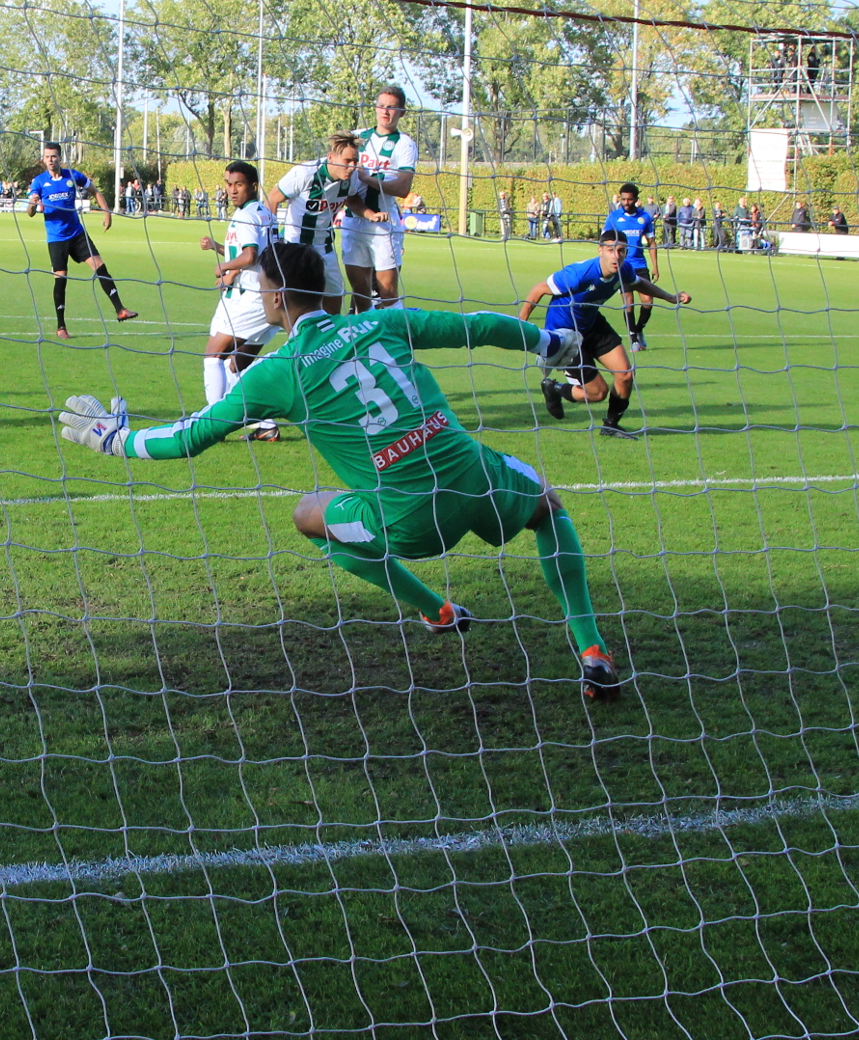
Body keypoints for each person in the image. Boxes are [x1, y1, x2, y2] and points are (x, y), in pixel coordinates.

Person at [55, 240, 620, 699]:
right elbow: (480, 326)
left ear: (276, 298)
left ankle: (438, 610)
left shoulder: (277, 372)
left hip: (409, 522)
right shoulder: (382, 323)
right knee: (548, 509)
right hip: (474, 480)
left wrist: (116, 440)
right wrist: (551, 342)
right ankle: (592, 648)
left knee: (309, 514)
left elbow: (191, 436)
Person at [519, 231, 692, 440]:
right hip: (566, 334)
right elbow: (539, 289)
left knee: (625, 374)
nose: (616, 256)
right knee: (597, 393)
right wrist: (522, 325)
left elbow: (639, 283)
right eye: (610, 250)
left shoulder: (624, 269)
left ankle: (611, 426)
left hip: (592, 324)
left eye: (621, 251)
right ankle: (555, 389)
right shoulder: (579, 274)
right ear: (600, 250)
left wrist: (670, 297)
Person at [195, 161, 285, 440]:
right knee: (234, 365)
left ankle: (213, 424)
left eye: (239, 184)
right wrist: (227, 262)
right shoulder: (264, 213)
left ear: (253, 186)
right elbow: (256, 253)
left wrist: (223, 268)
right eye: (228, 184)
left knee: (213, 355)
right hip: (264, 297)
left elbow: (250, 256)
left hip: (251, 298)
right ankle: (265, 425)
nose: (232, 190)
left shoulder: (246, 215)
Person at [25, 142, 136, 339]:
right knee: (61, 279)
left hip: (77, 234)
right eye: (47, 157)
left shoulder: (73, 176)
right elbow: (30, 213)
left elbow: (95, 192)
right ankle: (61, 327)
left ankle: (120, 309)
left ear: (60, 158)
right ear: (43, 159)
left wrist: (107, 213)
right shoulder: (39, 182)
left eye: (54, 156)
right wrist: (32, 205)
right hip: (56, 238)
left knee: (100, 267)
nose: (50, 160)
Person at [275, 132, 385, 306]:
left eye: (355, 161)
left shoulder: (351, 178)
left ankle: (329, 325)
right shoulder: (305, 173)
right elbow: (272, 199)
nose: (352, 166)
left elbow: (352, 199)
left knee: (335, 296)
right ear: (331, 157)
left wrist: (370, 214)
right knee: (297, 301)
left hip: (325, 246)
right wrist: (273, 238)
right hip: (296, 246)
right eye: (347, 161)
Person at [344, 86, 419, 311]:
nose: (385, 112)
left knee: (387, 292)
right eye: (382, 106)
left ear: (402, 112)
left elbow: (403, 188)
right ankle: (363, 330)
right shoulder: (356, 137)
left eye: (391, 107)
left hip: (385, 225)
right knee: (359, 290)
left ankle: (396, 329)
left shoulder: (404, 143)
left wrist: (368, 179)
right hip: (353, 221)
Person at [602, 183, 661, 352]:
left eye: (629, 199)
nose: (626, 202)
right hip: (622, 266)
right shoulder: (613, 217)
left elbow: (651, 242)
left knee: (648, 301)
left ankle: (639, 329)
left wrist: (655, 266)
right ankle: (633, 339)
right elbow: (604, 241)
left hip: (640, 265)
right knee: (628, 302)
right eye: (623, 199)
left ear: (636, 199)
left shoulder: (645, 218)